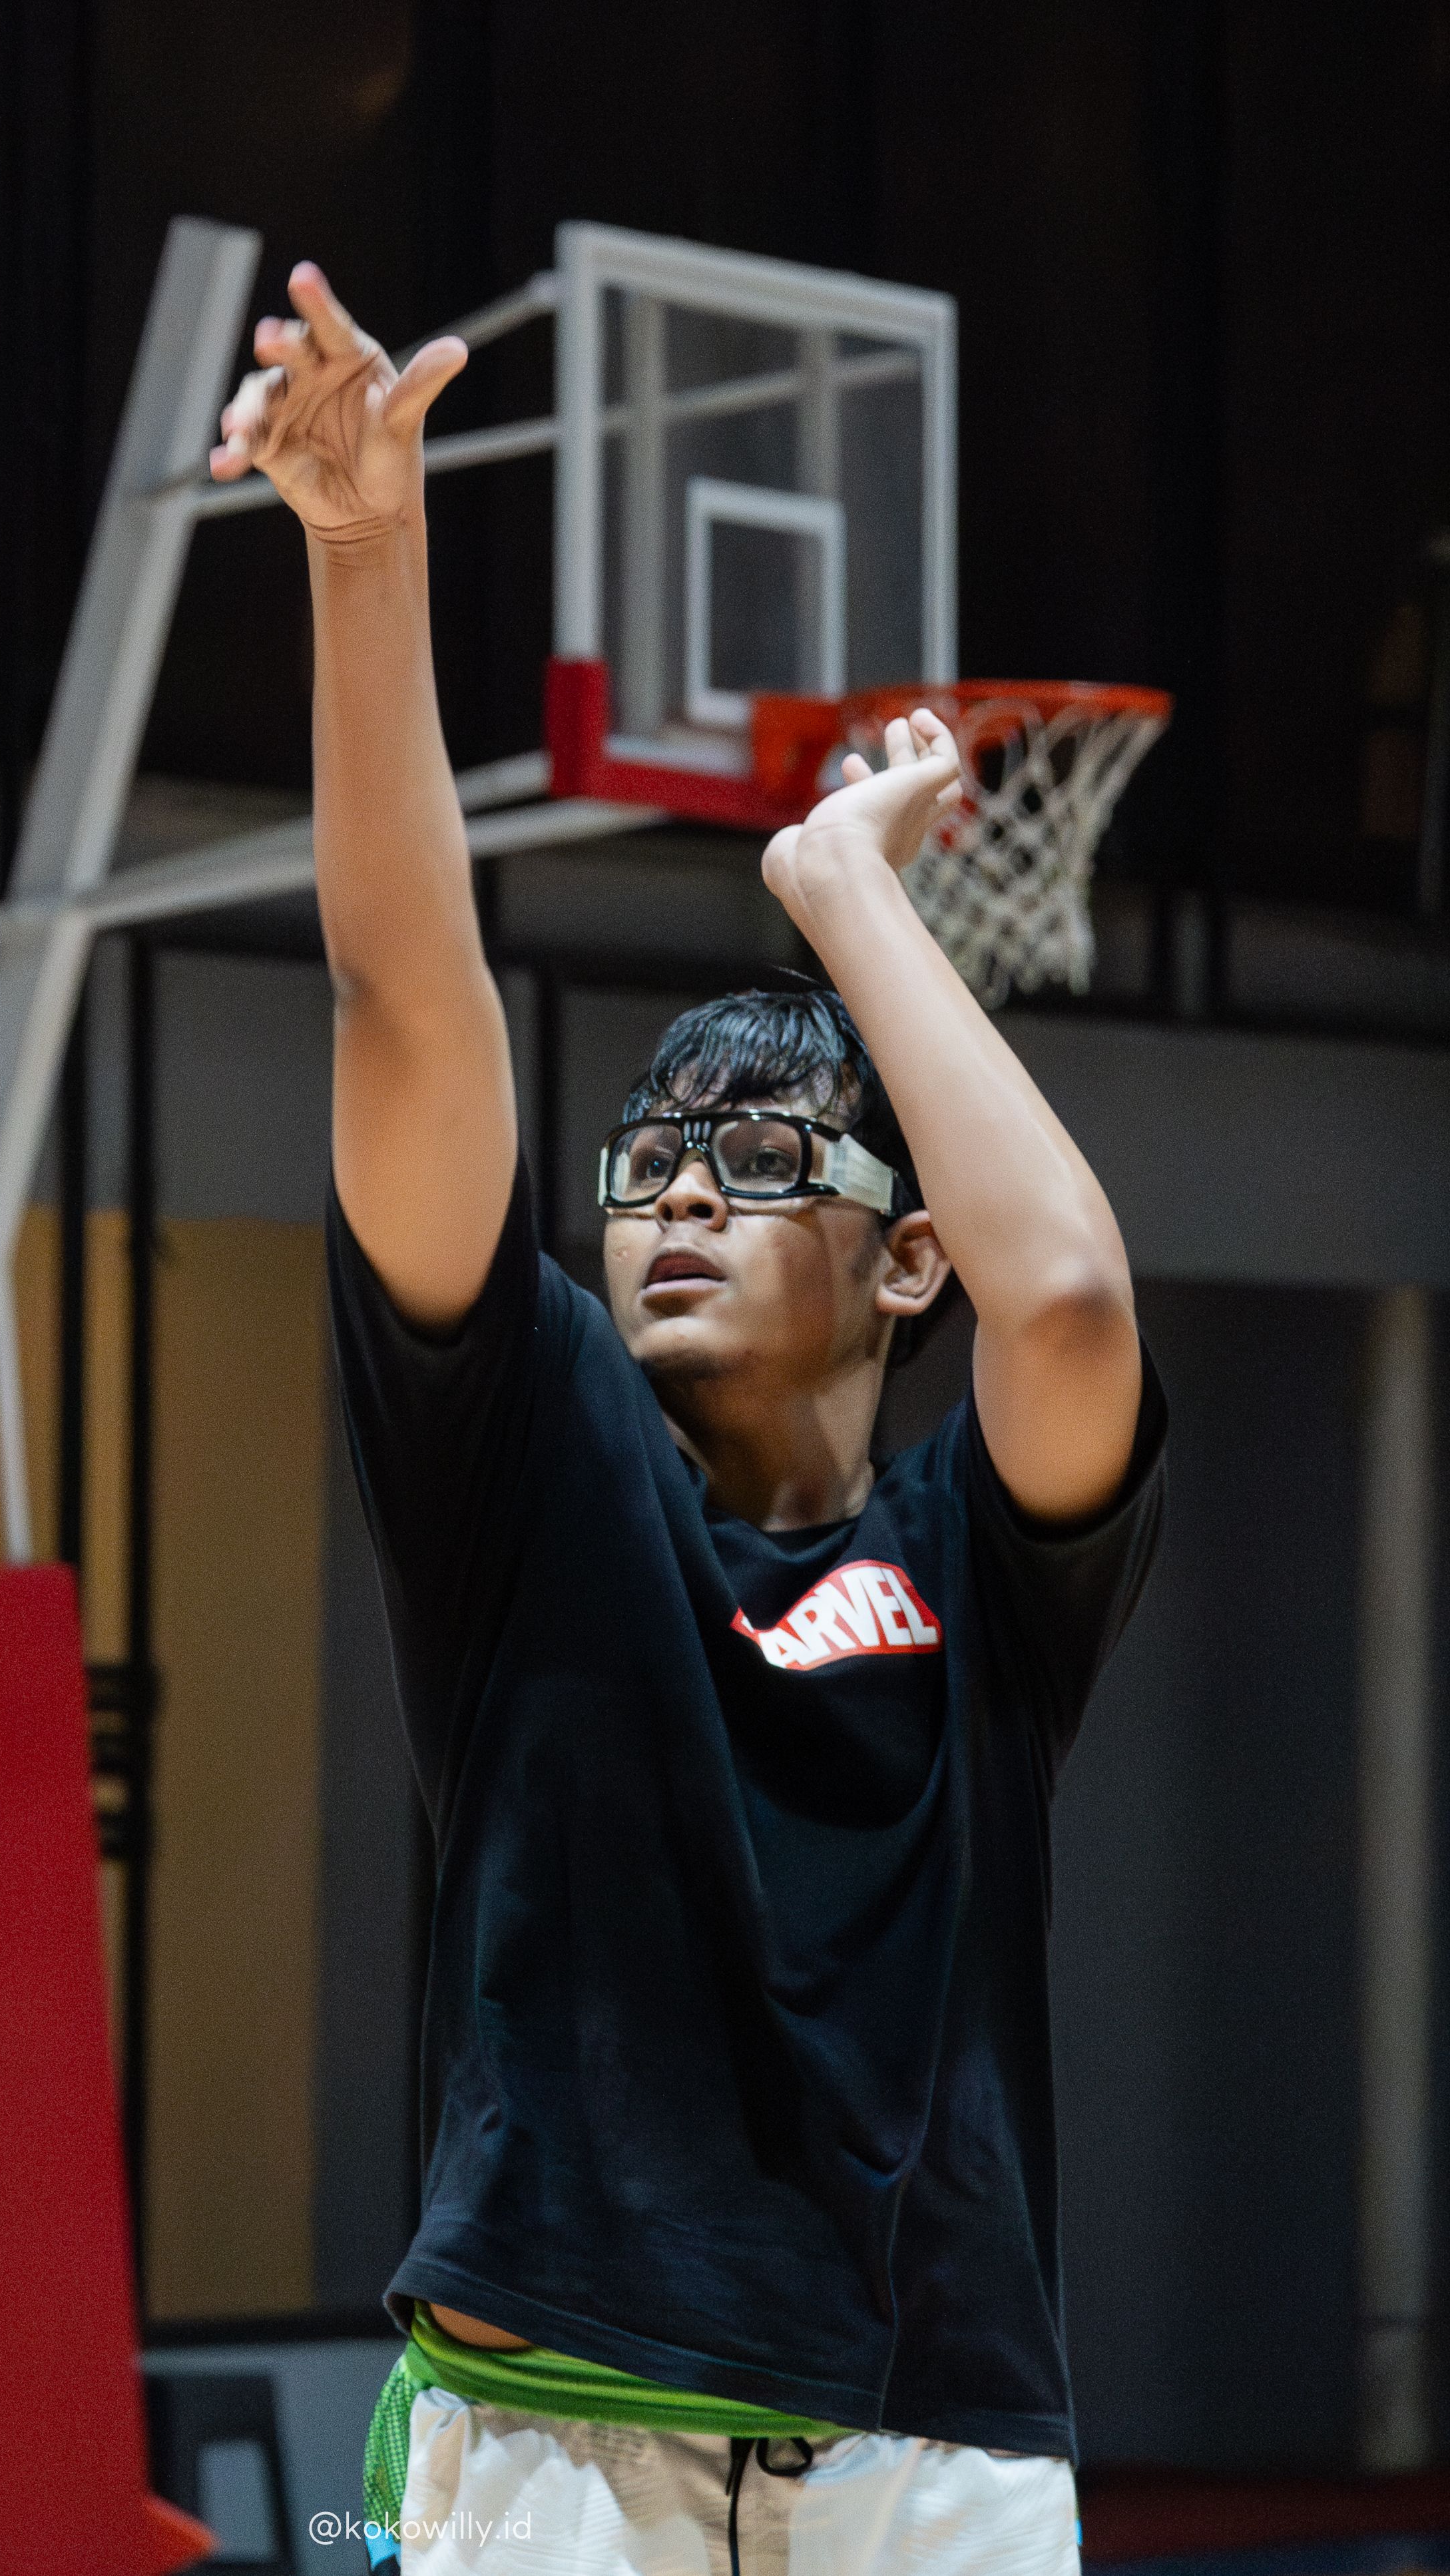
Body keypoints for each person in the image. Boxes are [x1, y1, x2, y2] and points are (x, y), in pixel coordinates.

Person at [211, 264, 1165, 2576]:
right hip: (561, 2446)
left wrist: (842, 898)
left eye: (756, 1164)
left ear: (900, 1263)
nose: (673, 1201)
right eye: (644, 1163)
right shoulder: (530, 1467)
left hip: (933, 2451)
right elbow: (406, 1004)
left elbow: (1062, 1291)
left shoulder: (968, 1563)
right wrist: (363, 555)